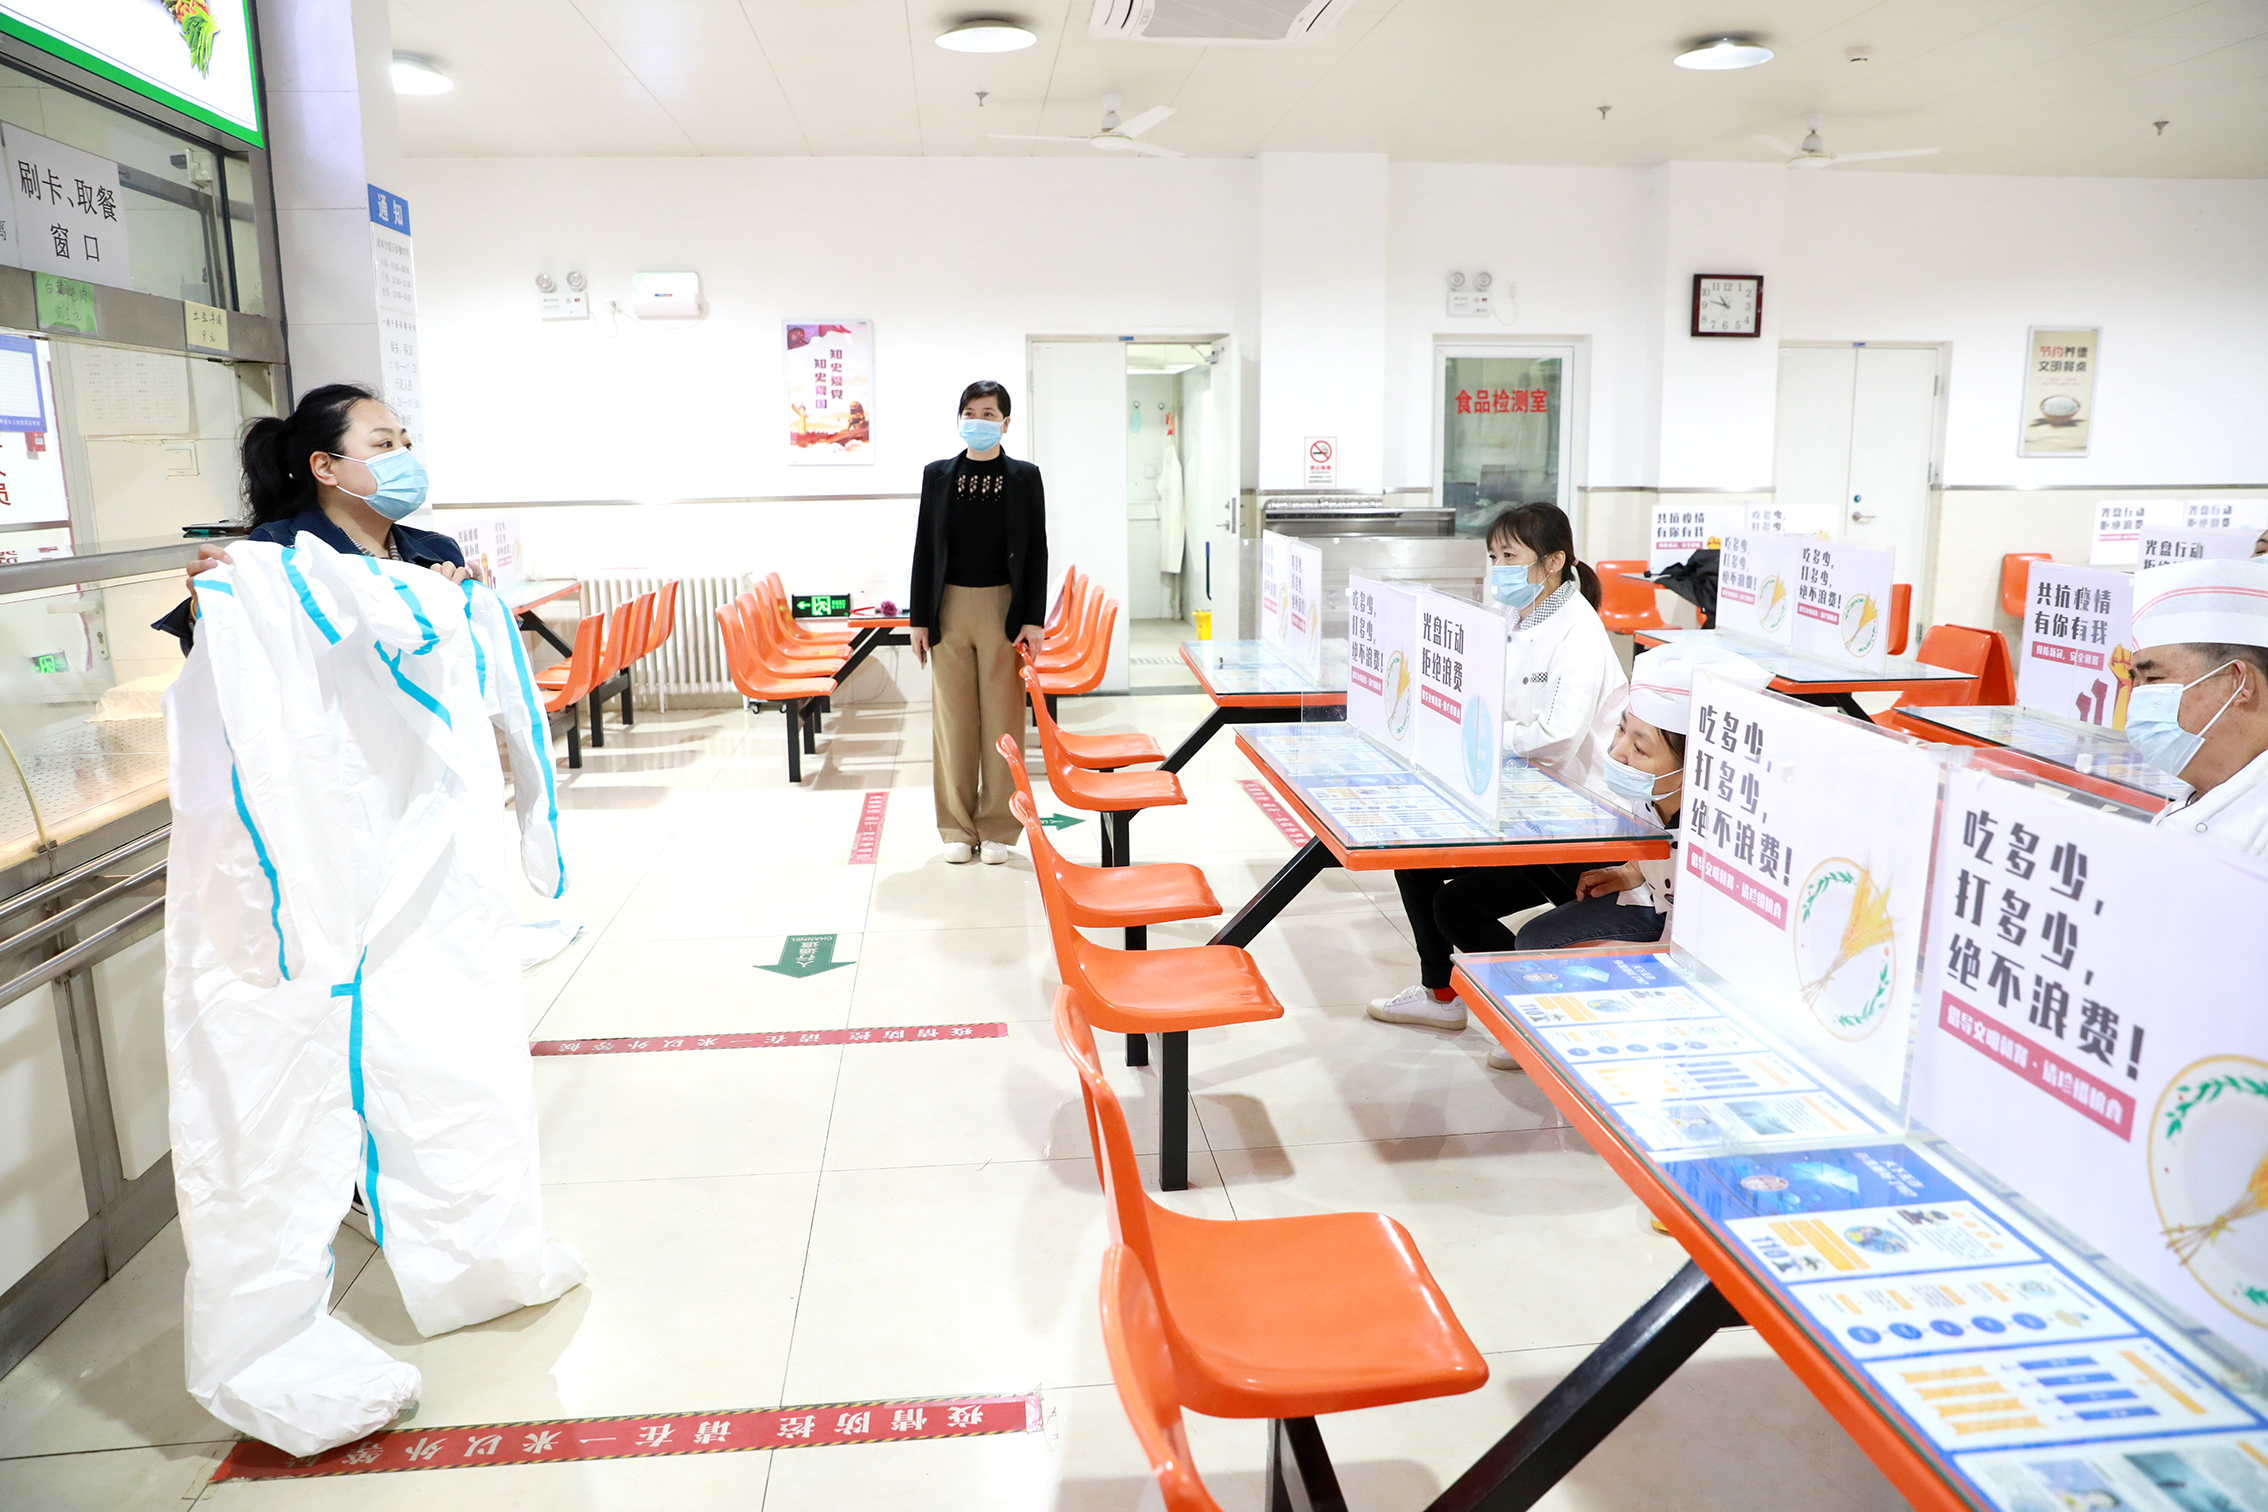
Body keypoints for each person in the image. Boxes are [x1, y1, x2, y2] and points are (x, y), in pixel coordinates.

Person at [1368, 502, 1627, 1032]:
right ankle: (1441, 995)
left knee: (1455, 906)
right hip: (1520, 795)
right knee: (1414, 858)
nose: (1498, 569)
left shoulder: (1578, 632)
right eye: (1493, 557)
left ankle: (1543, 1019)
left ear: (1553, 561)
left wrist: (1480, 738)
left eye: (1510, 556)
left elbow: (1555, 737)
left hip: (1579, 815)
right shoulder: (1515, 615)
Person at [156, 383, 477, 651]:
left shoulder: (437, 551)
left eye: (406, 446)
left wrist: (466, 605)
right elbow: (241, 659)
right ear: (325, 467)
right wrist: (204, 609)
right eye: (385, 444)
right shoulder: (278, 551)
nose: (404, 459)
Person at [908, 380, 1049, 864]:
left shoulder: (1025, 477)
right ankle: (956, 826)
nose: (978, 421)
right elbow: (925, 549)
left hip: (1003, 610)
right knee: (953, 721)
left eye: (988, 414)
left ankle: (999, 828)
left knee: (1003, 719)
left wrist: (1034, 619)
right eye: (970, 412)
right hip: (947, 608)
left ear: (1006, 423)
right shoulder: (937, 475)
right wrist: (919, 619)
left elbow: (1037, 551)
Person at [2127, 558, 2268, 854]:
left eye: (2153, 679)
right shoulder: (2201, 796)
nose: (2137, 698)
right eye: (2135, 680)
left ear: (2238, 682)